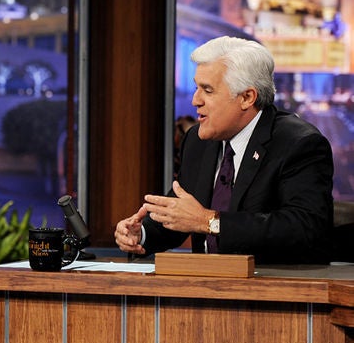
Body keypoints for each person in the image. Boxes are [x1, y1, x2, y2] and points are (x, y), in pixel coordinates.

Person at [115, 36, 334, 264]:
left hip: (274, 281)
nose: (195, 100)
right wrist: (141, 233)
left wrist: (209, 221)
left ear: (247, 97)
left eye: (208, 90)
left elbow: (304, 228)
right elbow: (183, 215)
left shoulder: (298, 143)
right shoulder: (198, 140)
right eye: (197, 87)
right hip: (206, 282)